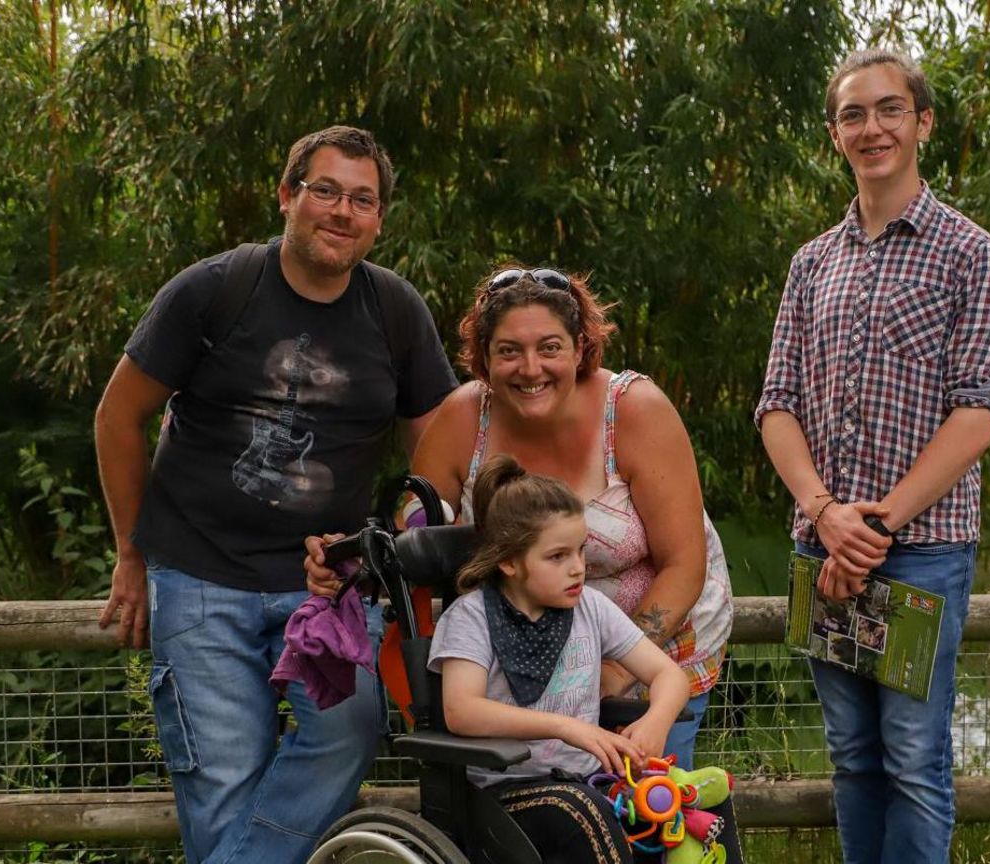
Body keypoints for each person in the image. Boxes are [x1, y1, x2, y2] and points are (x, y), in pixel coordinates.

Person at [94, 126, 458, 864]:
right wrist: (131, 554)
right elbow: (116, 418)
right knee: (220, 780)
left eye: (362, 199)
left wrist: (403, 550)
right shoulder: (212, 290)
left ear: (379, 218)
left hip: (330, 585)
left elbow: (438, 455)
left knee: (350, 734)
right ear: (288, 195)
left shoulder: (395, 311)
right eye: (325, 190)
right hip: (198, 576)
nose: (342, 211)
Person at [754, 49, 990, 864]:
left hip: (923, 553)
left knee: (913, 762)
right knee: (853, 760)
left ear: (922, 123)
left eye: (889, 110)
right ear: (836, 134)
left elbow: (977, 416)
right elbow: (776, 406)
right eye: (854, 115)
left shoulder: (971, 254)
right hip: (823, 546)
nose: (873, 128)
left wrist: (874, 528)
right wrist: (829, 518)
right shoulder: (811, 263)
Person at [394, 264, 733, 768]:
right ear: (484, 359)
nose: (531, 369)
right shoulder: (464, 417)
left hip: (648, 651)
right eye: (509, 351)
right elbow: (415, 527)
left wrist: (614, 670)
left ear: (580, 348)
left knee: (647, 809)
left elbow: (684, 564)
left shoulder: (635, 410)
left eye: (549, 348)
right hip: (523, 661)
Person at [429, 454, 689, 864]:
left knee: (686, 804)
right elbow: (461, 710)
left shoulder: (590, 608)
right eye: (558, 557)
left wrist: (656, 721)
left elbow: (669, 675)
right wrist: (565, 727)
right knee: (583, 811)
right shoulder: (471, 618)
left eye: (581, 551)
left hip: (588, 780)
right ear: (510, 561)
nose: (578, 569)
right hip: (505, 791)